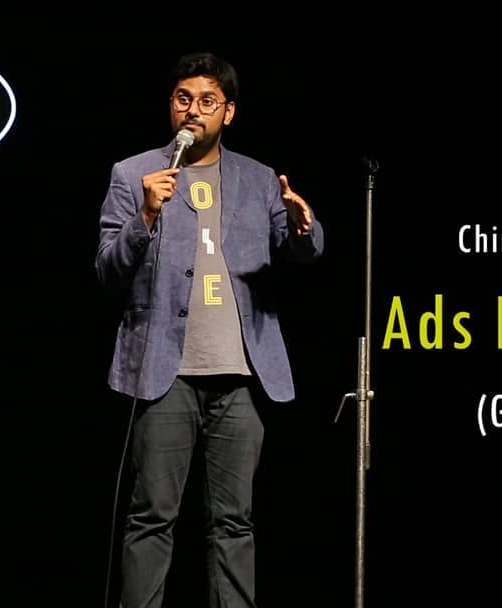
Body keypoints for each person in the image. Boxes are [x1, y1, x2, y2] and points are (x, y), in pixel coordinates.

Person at [95, 51, 324, 608]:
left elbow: (301, 250)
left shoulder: (259, 178)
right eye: (183, 99)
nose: (193, 110)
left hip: (241, 374)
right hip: (165, 373)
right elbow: (107, 268)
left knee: (234, 521)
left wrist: (303, 227)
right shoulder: (133, 173)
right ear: (170, 105)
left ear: (229, 112)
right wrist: (145, 216)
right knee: (151, 516)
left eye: (207, 101)